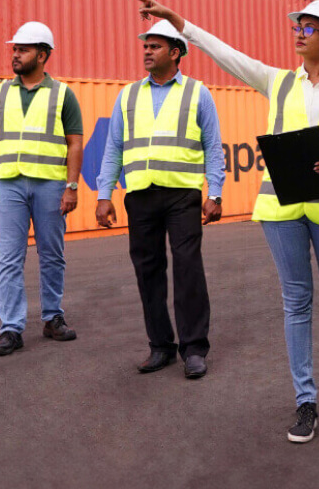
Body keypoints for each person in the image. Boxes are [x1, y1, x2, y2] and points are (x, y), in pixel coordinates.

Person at [127, 0, 319, 444]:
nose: (298, 33)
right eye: (297, 26)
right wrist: (178, 21)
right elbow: (225, 54)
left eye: (308, 28)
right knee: (296, 300)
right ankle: (305, 400)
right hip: (281, 207)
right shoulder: (278, 82)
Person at [95, 20, 225, 380]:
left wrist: (215, 192)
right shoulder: (128, 95)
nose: (147, 51)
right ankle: (160, 346)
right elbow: (113, 149)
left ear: (176, 52)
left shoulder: (198, 94)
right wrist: (104, 194)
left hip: (183, 195)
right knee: (148, 272)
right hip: (140, 197)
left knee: (187, 268)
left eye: (154, 46)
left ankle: (194, 348)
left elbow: (213, 148)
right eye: (145, 46)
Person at [0, 22, 83, 357]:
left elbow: (75, 144)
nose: (15, 54)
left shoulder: (63, 94)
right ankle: (11, 328)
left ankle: (52, 318)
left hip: (50, 184)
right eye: (14, 49)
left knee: (52, 255)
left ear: (43, 54)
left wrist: (72, 187)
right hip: (8, 184)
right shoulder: (0, 94)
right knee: (8, 259)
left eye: (22, 49)